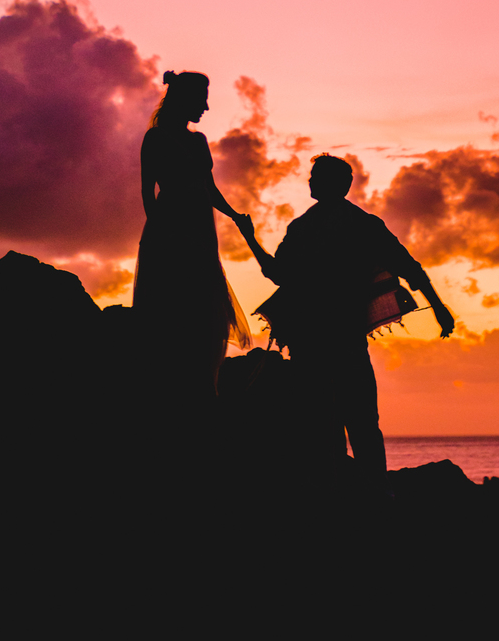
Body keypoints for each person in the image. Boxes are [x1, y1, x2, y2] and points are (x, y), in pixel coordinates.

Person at [239, 153, 455, 490]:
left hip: (314, 340)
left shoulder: (310, 228)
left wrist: (250, 238)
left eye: (316, 176)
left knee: (327, 425)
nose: (310, 181)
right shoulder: (357, 225)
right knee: (358, 422)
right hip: (338, 339)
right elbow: (409, 267)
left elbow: (277, 274)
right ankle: (370, 495)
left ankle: (342, 497)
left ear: (336, 184)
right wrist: (438, 307)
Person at [133, 69, 253, 396]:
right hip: (170, 230)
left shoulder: (199, 141)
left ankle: (204, 383)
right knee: (172, 304)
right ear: (184, 99)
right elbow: (147, 191)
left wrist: (234, 215)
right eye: (202, 100)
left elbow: (208, 189)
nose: (206, 107)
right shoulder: (156, 138)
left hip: (201, 230)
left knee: (205, 304)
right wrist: (162, 235)